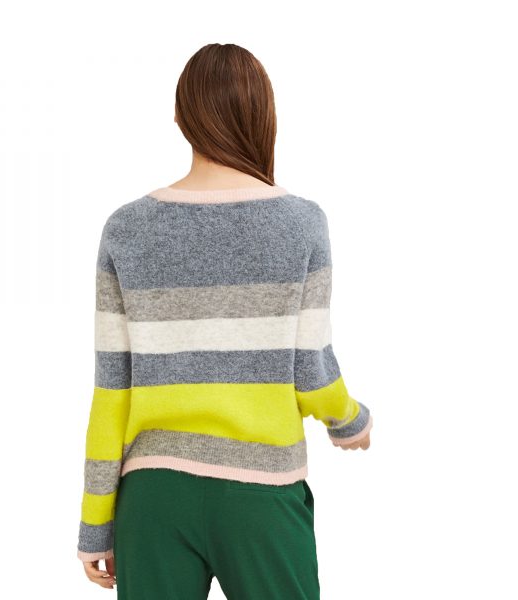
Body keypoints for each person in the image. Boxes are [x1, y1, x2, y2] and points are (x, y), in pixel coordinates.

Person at [77, 42, 373, 599]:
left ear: (179, 115)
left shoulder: (126, 228)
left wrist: (96, 521)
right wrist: (349, 421)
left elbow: (111, 390)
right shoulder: (301, 223)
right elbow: (310, 369)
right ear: (264, 114)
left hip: (152, 498)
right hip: (261, 495)